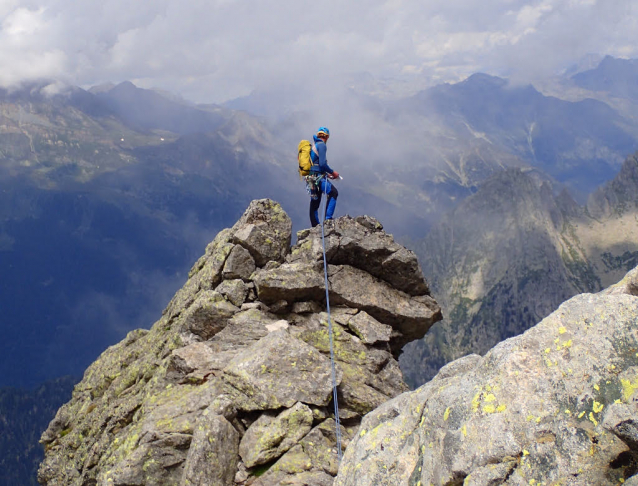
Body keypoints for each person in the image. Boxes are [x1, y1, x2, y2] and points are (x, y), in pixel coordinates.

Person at [307, 127, 340, 227]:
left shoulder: (315, 145)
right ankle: (328, 220)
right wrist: (333, 172)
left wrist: (327, 174)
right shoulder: (322, 146)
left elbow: (316, 164)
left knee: (315, 202)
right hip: (318, 178)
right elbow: (322, 164)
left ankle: (315, 226)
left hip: (312, 178)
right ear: (326, 137)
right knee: (333, 192)